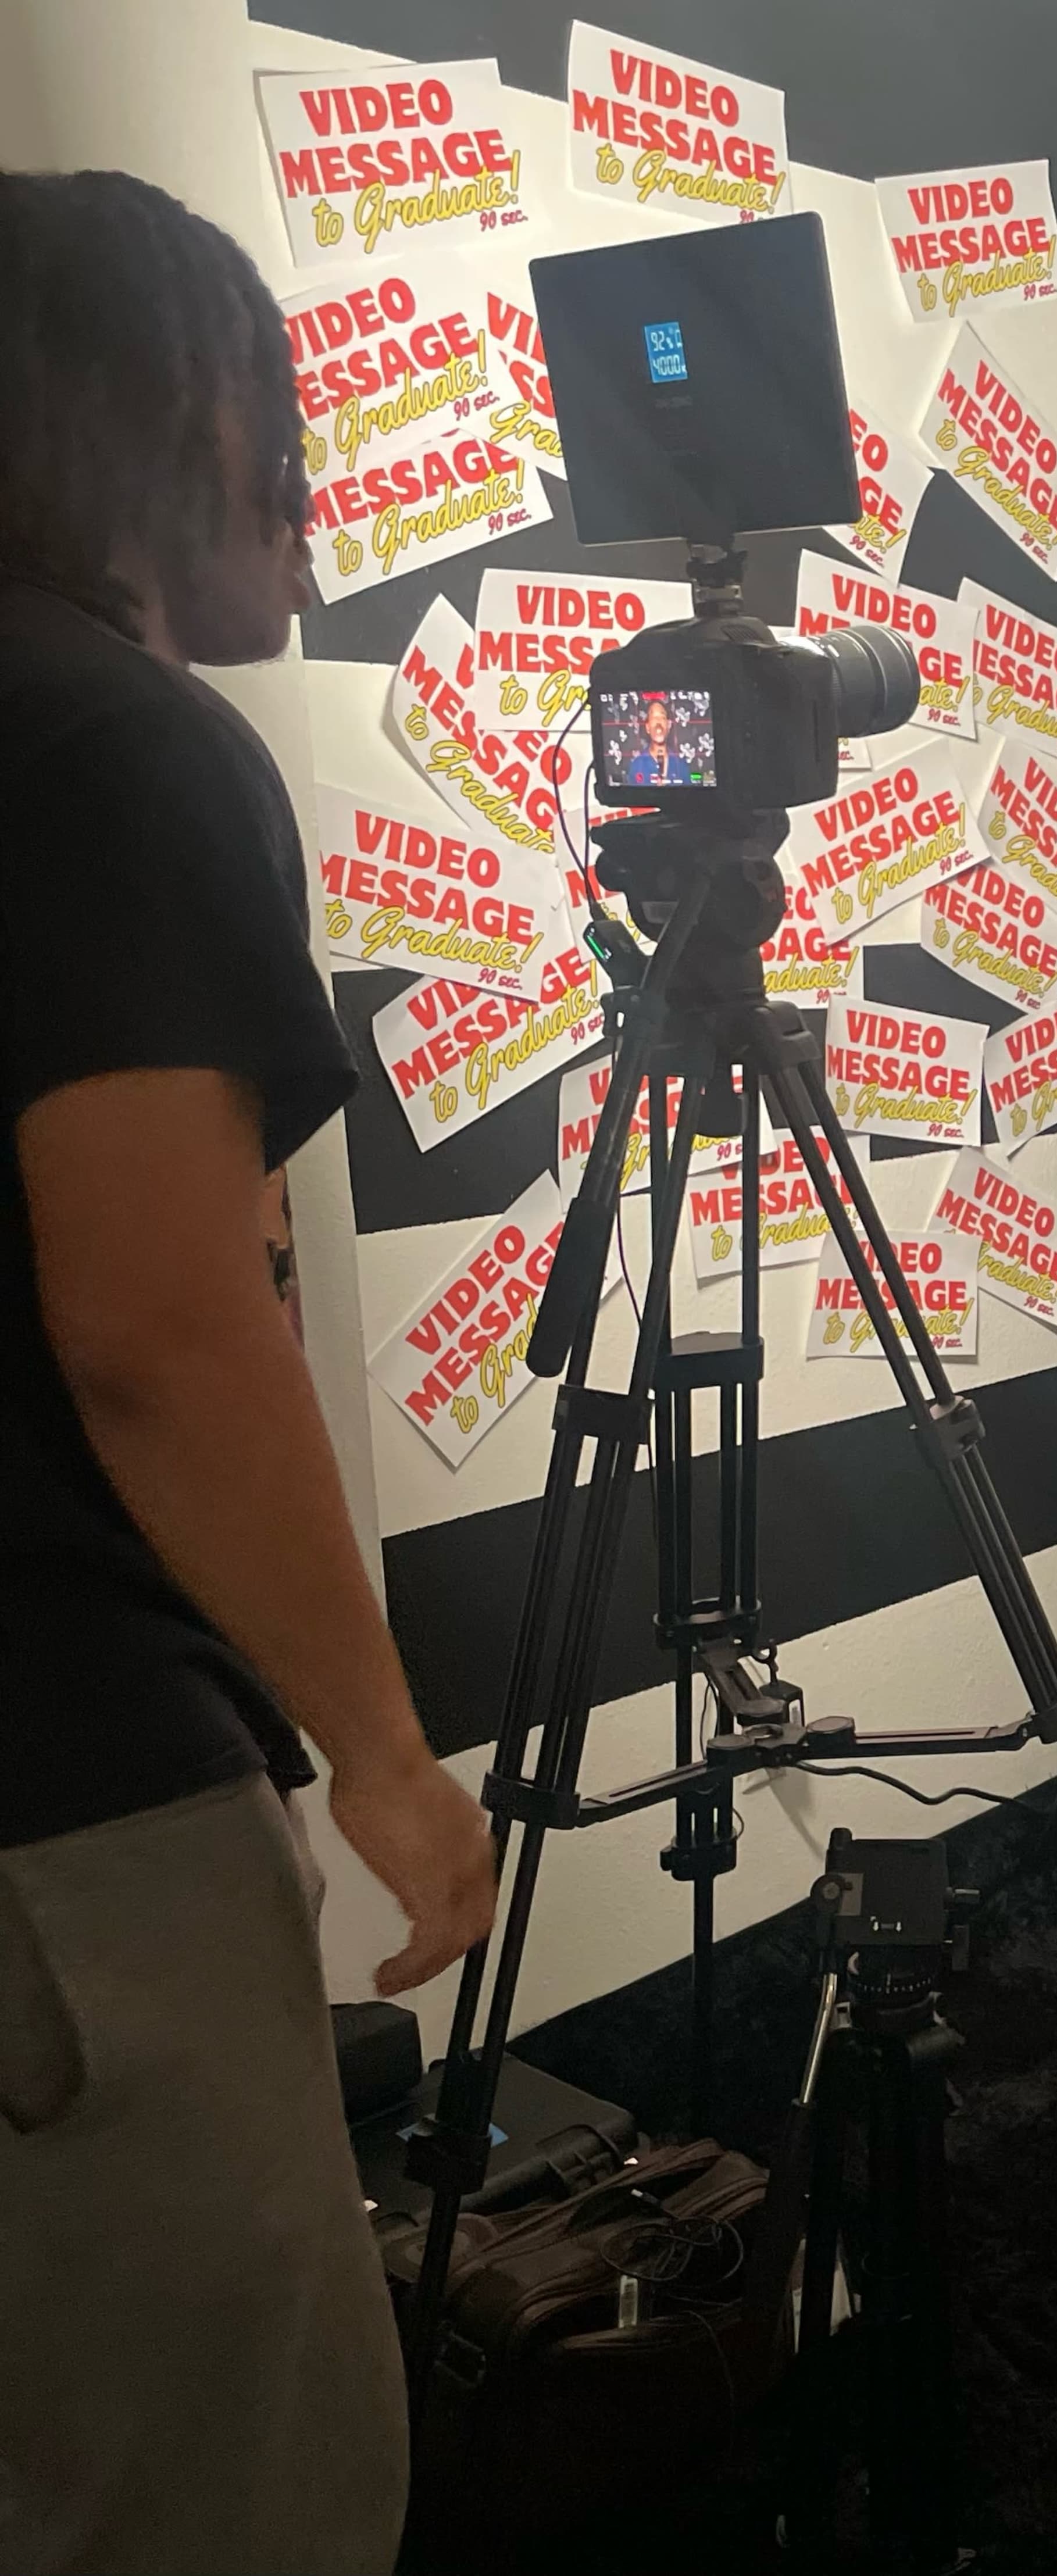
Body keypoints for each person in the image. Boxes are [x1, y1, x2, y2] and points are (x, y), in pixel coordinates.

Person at [0, 172, 497, 2571]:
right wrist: (387, 1755)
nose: (307, 474)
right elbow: (160, 1324)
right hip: (76, 1817)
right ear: (150, 417)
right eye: (267, 402)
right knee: (232, 2491)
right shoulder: (116, 742)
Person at [627, 692, 677, 783]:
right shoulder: (637, 765)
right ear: (648, 727)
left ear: (669, 725)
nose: (658, 722)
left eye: (662, 717)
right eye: (654, 718)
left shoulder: (680, 765)